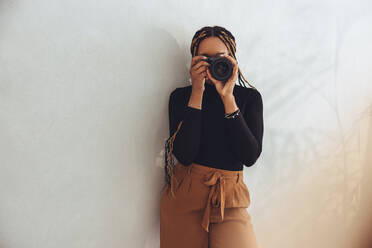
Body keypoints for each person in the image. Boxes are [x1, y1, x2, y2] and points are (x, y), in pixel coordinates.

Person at [160, 25, 263, 248]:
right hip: (185, 195)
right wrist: (197, 92)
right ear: (193, 61)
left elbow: (250, 156)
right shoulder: (180, 97)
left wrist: (228, 98)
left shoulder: (249, 98)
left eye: (220, 58)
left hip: (230, 197)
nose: (213, 64)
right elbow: (185, 155)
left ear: (233, 60)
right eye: (204, 59)